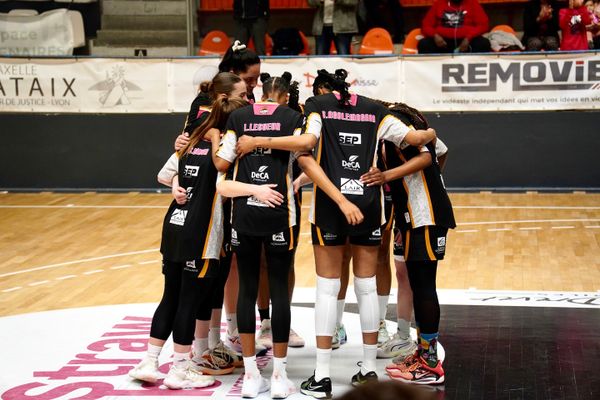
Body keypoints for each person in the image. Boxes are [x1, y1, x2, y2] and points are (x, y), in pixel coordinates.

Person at [235, 69, 437, 398]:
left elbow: (307, 145)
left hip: (331, 203)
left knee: (327, 290)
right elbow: (414, 140)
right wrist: (429, 132)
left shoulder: (317, 105)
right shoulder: (375, 108)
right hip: (369, 200)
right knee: (367, 287)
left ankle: (323, 374)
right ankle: (369, 370)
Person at [129, 96, 247, 389]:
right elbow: (224, 184)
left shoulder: (189, 142)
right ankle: (180, 370)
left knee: (170, 296)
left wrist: (176, 187)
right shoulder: (225, 152)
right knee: (189, 302)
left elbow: (164, 175)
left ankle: (149, 360)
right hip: (203, 236)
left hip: (174, 228)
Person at [214, 72, 304, 399]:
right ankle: (279, 375)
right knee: (279, 289)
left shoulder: (238, 117)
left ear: (260, 92)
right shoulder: (294, 116)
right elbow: (308, 148)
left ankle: (252, 374)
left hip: (244, 214)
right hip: (282, 212)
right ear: (284, 95)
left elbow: (222, 162)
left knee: (247, 288)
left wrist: (223, 143)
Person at [367, 103, 455, 385]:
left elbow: (429, 159)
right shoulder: (413, 128)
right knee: (418, 284)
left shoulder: (396, 129)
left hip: (426, 215)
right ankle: (422, 354)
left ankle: (429, 365)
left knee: (425, 285)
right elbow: (442, 151)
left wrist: (388, 176)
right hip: (416, 216)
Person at [417, 0, 491, 54]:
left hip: (466, 42)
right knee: (424, 44)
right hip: (441, 42)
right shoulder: (439, 4)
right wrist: (435, 36)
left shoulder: (472, 3)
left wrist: (468, 38)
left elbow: (483, 25)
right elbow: (426, 25)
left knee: (484, 43)